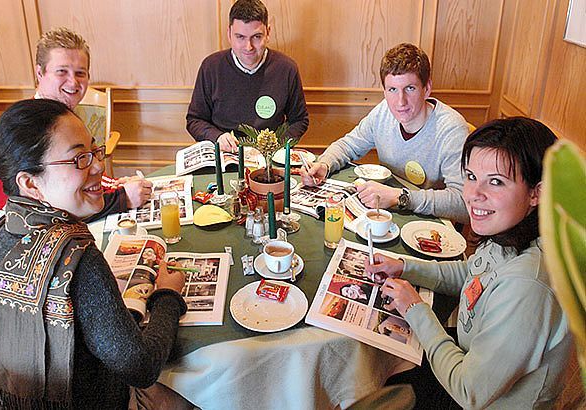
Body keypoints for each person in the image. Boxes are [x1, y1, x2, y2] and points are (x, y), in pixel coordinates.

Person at [0, 99, 190, 408]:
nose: (99, 166)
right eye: (79, 159)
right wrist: (167, 296)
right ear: (30, 183)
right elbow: (141, 367)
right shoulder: (75, 255)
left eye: (93, 151)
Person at [364, 117, 571, 408]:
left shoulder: (527, 283)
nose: (473, 195)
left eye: (496, 182)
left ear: (536, 192)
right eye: (471, 176)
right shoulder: (512, 232)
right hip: (463, 351)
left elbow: (469, 391)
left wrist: (415, 309)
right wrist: (405, 267)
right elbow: (473, 274)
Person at [0, 27, 151, 222]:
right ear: (40, 73)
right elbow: (49, 212)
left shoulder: (66, 119)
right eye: (62, 71)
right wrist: (121, 198)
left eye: (80, 73)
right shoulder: (28, 128)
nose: (73, 83)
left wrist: (113, 185)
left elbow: (76, 177)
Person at [301, 43, 470, 223]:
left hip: (428, 223)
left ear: (426, 88)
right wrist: (325, 164)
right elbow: (348, 145)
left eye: (410, 88)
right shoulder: (383, 113)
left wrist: (400, 197)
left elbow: (463, 203)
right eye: (392, 90)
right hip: (387, 215)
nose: (400, 102)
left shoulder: (452, 129)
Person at [186, 0, 309, 152]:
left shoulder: (286, 69)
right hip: (224, 154)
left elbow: (299, 120)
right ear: (229, 33)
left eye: (256, 37)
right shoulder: (211, 67)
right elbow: (194, 120)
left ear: (268, 33)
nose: (248, 47)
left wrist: (276, 147)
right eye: (240, 37)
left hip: (268, 157)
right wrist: (216, 137)